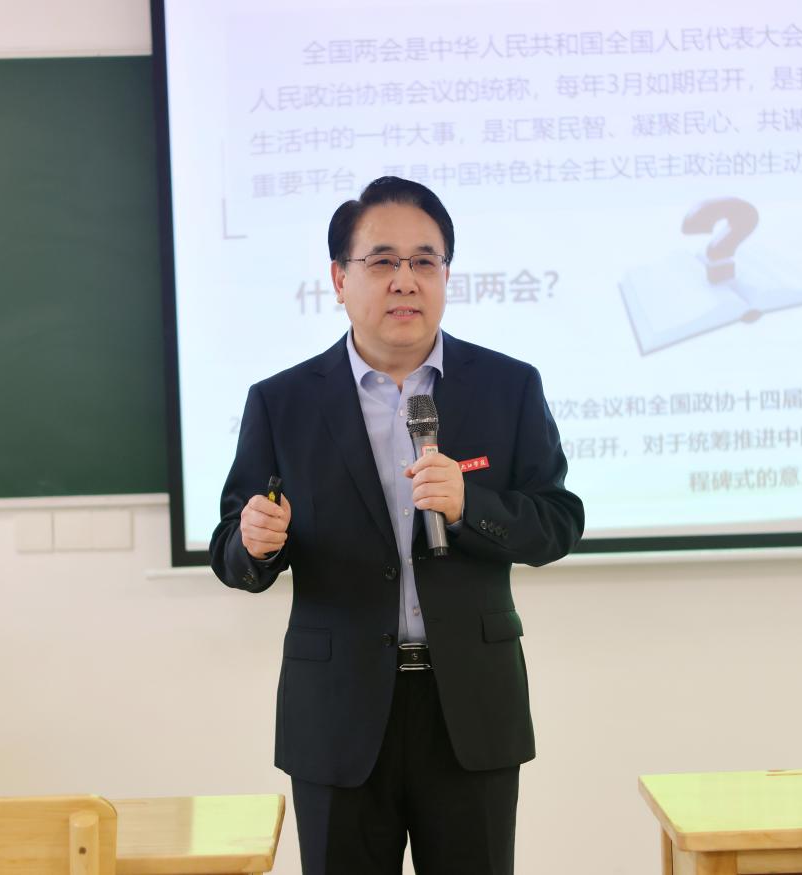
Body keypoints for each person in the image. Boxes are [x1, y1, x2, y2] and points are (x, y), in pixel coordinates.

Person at [210, 177, 584, 874]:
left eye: (424, 261)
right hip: (338, 715)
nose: (405, 280)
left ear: (446, 275)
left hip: (469, 708)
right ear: (339, 279)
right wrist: (255, 543)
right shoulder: (283, 402)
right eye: (382, 261)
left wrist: (470, 507)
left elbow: (559, 523)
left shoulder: (508, 387)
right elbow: (232, 546)